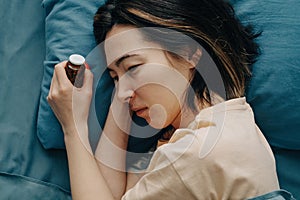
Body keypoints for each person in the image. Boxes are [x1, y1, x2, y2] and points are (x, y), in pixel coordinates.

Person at [47, 0, 280, 199]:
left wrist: (73, 124)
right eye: (114, 78)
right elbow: (114, 194)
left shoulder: (194, 154)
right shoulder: (230, 121)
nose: (121, 93)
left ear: (189, 53)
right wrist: (125, 92)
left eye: (133, 66)